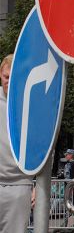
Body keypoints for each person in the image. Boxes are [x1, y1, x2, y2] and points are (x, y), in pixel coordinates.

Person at [0, 54, 35, 233]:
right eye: (6, 76)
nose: (9, 81)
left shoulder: (31, 103)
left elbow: (44, 148)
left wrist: (39, 186)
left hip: (20, 185)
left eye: (13, 77)